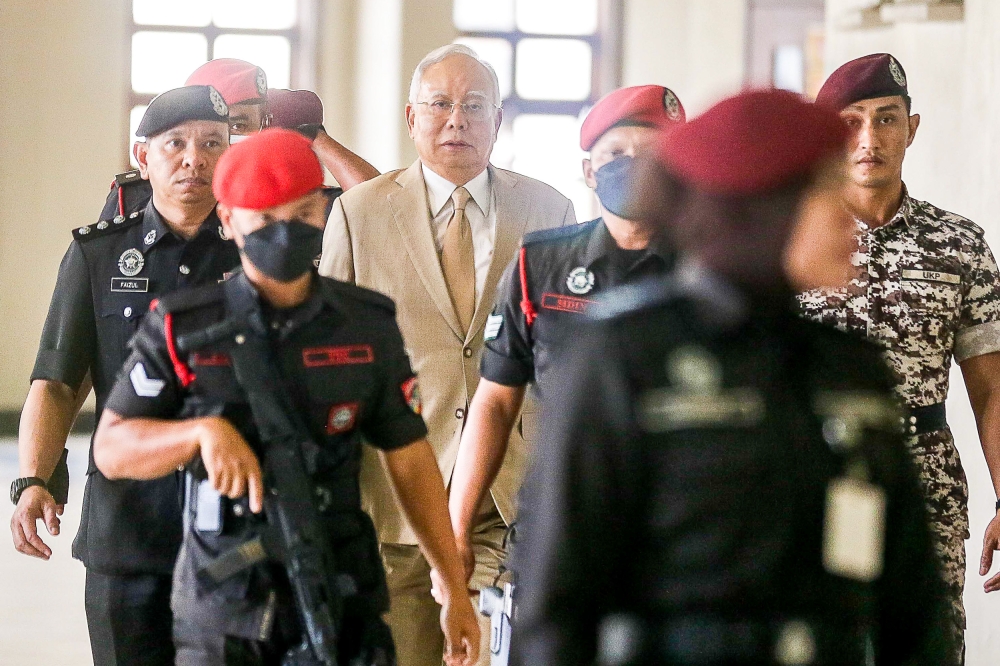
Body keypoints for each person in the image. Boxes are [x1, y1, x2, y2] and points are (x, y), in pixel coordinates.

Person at [511, 89, 950, 666]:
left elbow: (912, 600)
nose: (848, 214)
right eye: (824, 193)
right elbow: (555, 604)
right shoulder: (625, 356)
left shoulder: (849, 365)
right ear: (767, 209)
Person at [91, 128, 480, 666]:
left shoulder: (364, 325)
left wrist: (452, 585)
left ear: (323, 211)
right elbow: (111, 450)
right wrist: (200, 433)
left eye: (300, 216)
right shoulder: (184, 328)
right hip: (227, 608)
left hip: (341, 592)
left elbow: (410, 458)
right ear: (229, 221)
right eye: (265, 220)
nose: (285, 233)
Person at [319, 43, 575, 666]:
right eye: (438, 104)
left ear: (498, 120)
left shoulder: (550, 212)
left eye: (473, 105)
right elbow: (327, 358)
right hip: (397, 491)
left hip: (509, 491)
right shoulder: (359, 212)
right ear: (411, 117)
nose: (455, 119)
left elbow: (568, 357)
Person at [9, 86, 238, 664]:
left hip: (234, 529)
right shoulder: (99, 255)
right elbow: (57, 381)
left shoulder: (253, 252)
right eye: (176, 144)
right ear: (143, 156)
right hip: (125, 527)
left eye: (213, 143)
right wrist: (33, 479)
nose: (195, 158)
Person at [800, 53, 1000, 662]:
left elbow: (991, 386)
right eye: (851, 120)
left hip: (925, 485)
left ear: (912, 129)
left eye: (887, 119)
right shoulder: (798, 238)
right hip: (813, 478)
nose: (869, 139)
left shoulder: (959, 243)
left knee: (928, 649)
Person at [447, 85, 684, 585]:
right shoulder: (542, 263)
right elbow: (495, 402)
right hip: (558, 526)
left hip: (673, 536)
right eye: (616, 153)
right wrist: (457, 526)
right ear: (590, 171)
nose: (632, 165)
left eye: (651, 154)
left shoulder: (706, 268)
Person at [97, 58, 380, 224]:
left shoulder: (284, 192)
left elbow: (377, 205)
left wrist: (313, 136)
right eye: (220, 127)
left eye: (241, 124)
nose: (230, 136)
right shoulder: (141, 195)